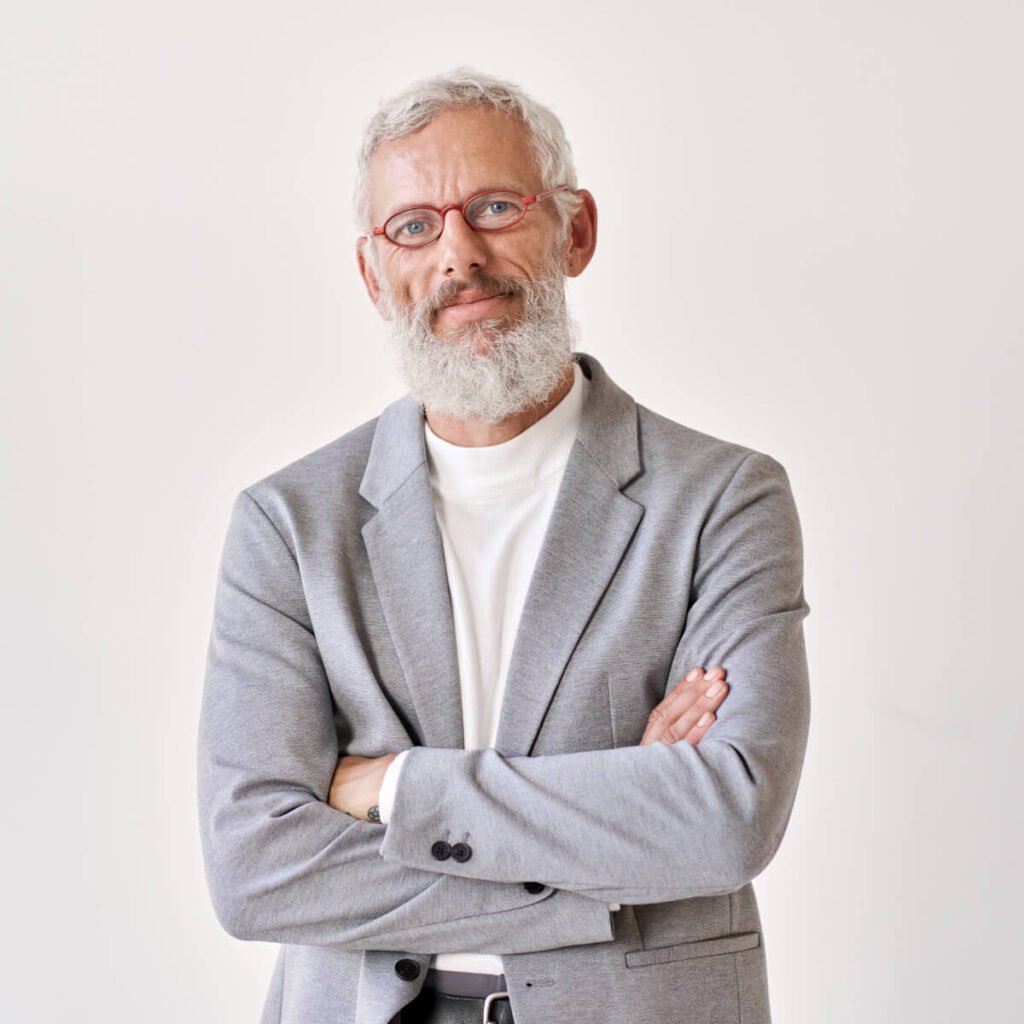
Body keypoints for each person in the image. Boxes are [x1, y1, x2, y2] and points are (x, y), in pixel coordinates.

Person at [197, 68, 811, 1024]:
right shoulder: (289, 522)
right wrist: (605, 858)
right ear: (373, 273)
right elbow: (255, 869)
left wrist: (395, 787)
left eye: (494, 207)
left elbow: (726, 819)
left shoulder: (723, 498)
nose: (459, 256)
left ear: (576, 230)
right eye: (413, 226)